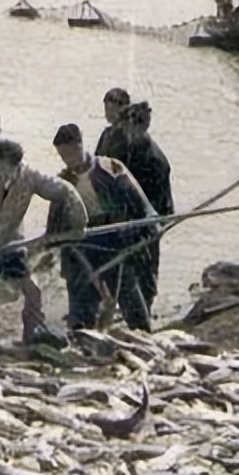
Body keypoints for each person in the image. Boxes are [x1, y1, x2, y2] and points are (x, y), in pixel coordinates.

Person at [0, 139, 87, 356]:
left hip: (8, 245)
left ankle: (30, 339)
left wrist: (77, 214)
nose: (7, 175)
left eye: (12, 169)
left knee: (33, 292)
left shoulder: (28, 175)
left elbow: (60, 190)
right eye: (2, 168)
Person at [52, 124, 155, 332]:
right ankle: (82, 336)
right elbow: (56, 222)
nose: (68, 160)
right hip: (83, 245)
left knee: (128, 291)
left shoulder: (111, 167)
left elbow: (140, 205)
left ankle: (143, 332)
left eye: (70, 153)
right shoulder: (63, 181)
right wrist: (55, 241)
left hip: (115, 240)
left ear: (79, 145)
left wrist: (143, 227)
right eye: (63, 156)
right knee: (82, 299)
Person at [118, 101, 173, 305]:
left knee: (145, 279)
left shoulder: (156, 162)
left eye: (128, 128)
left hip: (146, 226)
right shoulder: (124, 149)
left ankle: (144, 317)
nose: (125, 133)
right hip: (121, 222)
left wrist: (149, 227)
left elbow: (162, 208)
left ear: (141, 127)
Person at [95, 87, 130, 159]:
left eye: (112, 111)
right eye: (106, 110)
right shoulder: (106, 134)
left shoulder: (132, 136)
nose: (108, 114)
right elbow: (98, 159)